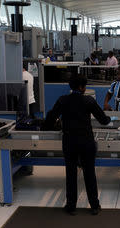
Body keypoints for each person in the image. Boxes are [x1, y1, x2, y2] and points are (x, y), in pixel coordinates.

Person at [44, 74, 112, 216]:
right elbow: (103, 120)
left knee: (71, 173)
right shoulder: (88, 101)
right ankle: (94, 205)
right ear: (82, 87)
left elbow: (50, 118)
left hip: (69, 143)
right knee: (89, 173)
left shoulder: (63, 100)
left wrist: (47, 126)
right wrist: (110, 118)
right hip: (86, 142)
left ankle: (71, 206)